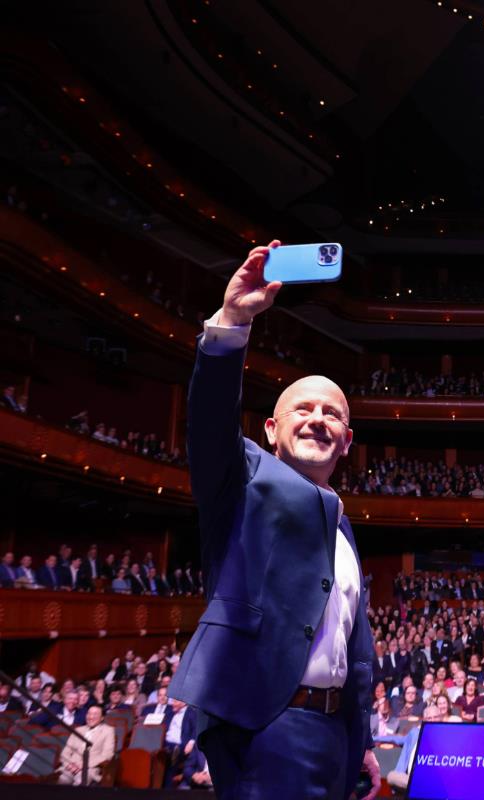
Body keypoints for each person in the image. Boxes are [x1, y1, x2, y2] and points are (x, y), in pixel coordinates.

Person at [169, 243, 378, 800]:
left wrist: (363, 742)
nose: (316, 419)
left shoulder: (340, 520)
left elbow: (347, 638)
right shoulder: (238, 482)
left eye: (331, 413)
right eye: (302, 409)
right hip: (268, 723)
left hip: (337, 735)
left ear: (347, 441)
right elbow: (210, 418)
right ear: (269, 428)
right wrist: (233, 321)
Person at [57, 705, 116, 785]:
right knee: (62, 780)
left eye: (95, 714)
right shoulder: (78, 730)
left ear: (102, 718)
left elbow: (107, 755)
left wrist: (84, 765)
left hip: (90, 768)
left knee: (80, 781)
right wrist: (69, 764)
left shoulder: (108, 731)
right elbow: (65, 752)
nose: (91, 717)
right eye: (89, 713)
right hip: (71, 766)